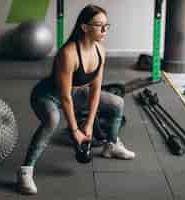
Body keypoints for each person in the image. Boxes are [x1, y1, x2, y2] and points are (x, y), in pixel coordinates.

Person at [17, 4, 135, 195]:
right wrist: (75, 130)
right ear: (84, 27)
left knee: (117, 103)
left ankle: (111, 145)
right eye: (99, 25)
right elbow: (64, 97)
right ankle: (25, 171)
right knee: (52, 120)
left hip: (76, 94)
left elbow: (95, 90)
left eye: (107, 25)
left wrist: (88, 125)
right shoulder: (69, 54)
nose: (104, 30)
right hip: (47, 97)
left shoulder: (100, 51)